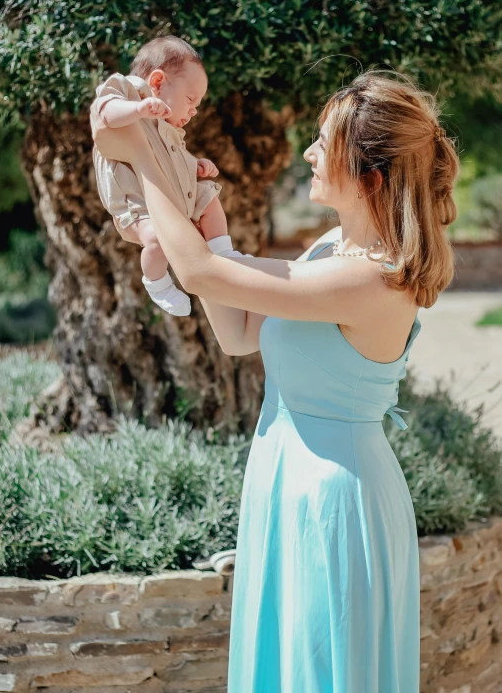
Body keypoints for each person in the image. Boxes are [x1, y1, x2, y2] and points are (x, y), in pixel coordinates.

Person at [92, 69, 459, 693]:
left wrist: (147, 158)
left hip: (334, 500)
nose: (310, 153)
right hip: (288, 481)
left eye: (324, 143)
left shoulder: (374, 279)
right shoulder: (330, 252)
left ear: (370, 174)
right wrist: (209, 219)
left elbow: (202, 274)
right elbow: (239, 333)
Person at [90, 35, 241, 317]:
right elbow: (105, 111)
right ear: (157, 83)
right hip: (138, 206)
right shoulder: (131, 92)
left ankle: (222, 253)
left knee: (209, 196)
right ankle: (157, 283)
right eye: (190, 99)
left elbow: (171, 161)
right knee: (156, 239)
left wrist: (195, 165)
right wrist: (136, 109)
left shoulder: (167, 128)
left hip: (174, 199)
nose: (195, 110)